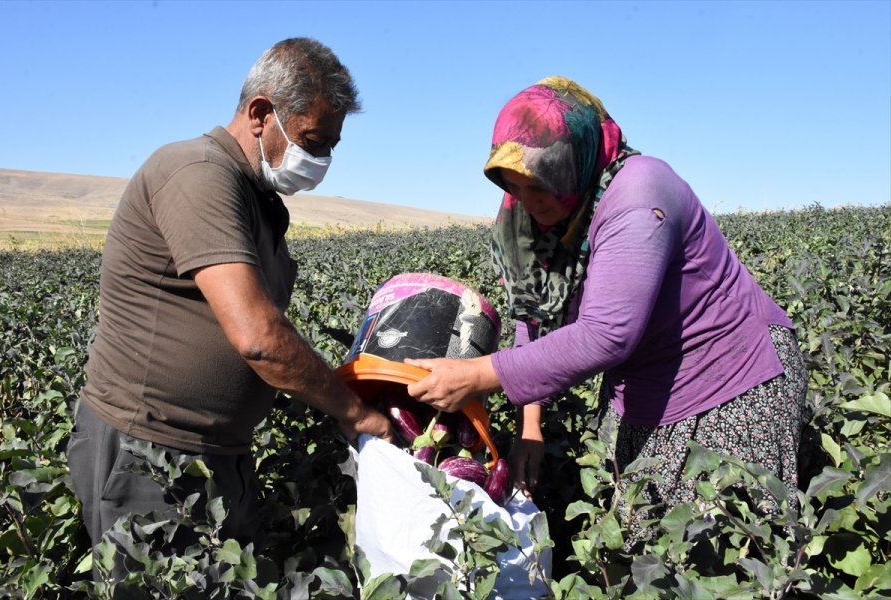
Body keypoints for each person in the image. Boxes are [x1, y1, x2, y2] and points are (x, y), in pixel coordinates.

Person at [405, 76, 808, 539]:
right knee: (648, 547)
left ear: (573, 161)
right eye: (515, 187)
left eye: (540, 185)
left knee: (722, 550)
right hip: (643, 384)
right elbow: (534, 315)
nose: (530, 202)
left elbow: (607, 333)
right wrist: (529, 425)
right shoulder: (529, 209)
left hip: (731, 382)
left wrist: (477, 376)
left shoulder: (639, 194)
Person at [67, 38, 393, 578]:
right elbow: (259, 337)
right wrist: (353, 411)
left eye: (331, 146)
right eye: (313, 141)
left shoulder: (257, 198)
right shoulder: (196, 172)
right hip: (148, 457)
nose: (322, 161)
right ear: (261, 114)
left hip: (216, 459)